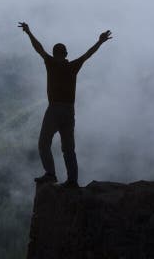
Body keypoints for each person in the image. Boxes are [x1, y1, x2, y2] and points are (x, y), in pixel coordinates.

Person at [18, 22, 112, 188]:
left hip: (54, 109)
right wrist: (100, 42)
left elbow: (38, 48)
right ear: (65, 54)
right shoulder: (72, 66)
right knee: (68, 148)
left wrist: (29, 32)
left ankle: (51, 174)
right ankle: (72, 181)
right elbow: (88, 54)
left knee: (44, 143)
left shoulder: (51, 63)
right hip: (68, 111)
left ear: (55, 54)